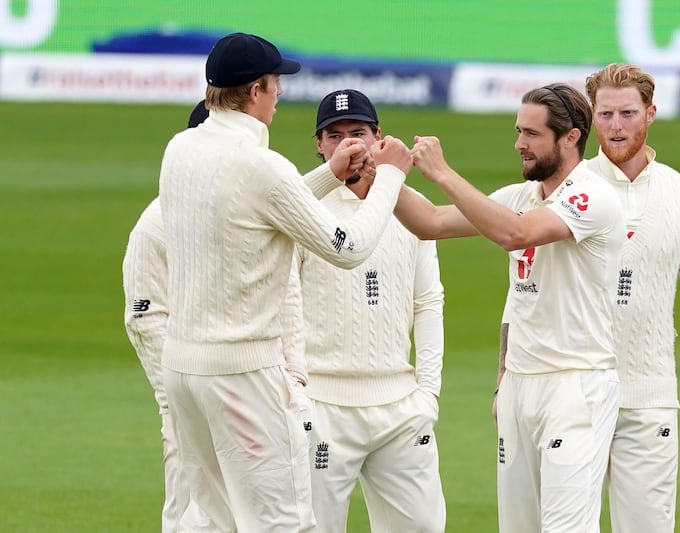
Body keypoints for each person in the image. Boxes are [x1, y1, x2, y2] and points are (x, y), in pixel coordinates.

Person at [157, 33, 412, 532]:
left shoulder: (180, 148)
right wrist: (391, 179)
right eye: (275, 86)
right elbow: (348, 247)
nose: (279, 96)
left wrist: (329, 176)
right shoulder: (261, 164)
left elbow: (258, 205)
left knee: (214, 520)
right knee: (282, 523)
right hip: (243, 374)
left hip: (184, 372)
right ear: (255, 90)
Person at [394, 83, 626, 532]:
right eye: (518, 131)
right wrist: (379, 175)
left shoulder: (592, 196)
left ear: (571, 137)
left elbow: (515, 236)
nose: (519, 143)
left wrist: (443, 173)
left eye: (532, 134)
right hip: (520, 386)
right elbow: (432, 223)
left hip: (575, 386)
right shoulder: (522, 196)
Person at [584, 63, 680, 533]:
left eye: (627, 113)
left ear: (651, 113)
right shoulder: (569, 187)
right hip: (574, 392)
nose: (616, 126)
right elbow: (526, 287)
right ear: (591, 117)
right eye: (606, 114)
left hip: (650, 394)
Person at [297, 89, 446, 533]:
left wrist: (429, 393)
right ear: (319, 145)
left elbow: (428, 300)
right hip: (321, 406)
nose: (350, 146)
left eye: (358, 133)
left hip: (399, 409)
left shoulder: (411, 207)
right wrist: (296, 395)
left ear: (379, 137)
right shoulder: (304, 207)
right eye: (336, 136)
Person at [122, 102, 215, 533]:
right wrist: (186, 387)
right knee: (189, 511)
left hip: (240, 386)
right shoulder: (156, 223)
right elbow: (143, 319)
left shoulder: (236, 210)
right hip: (189, 394)